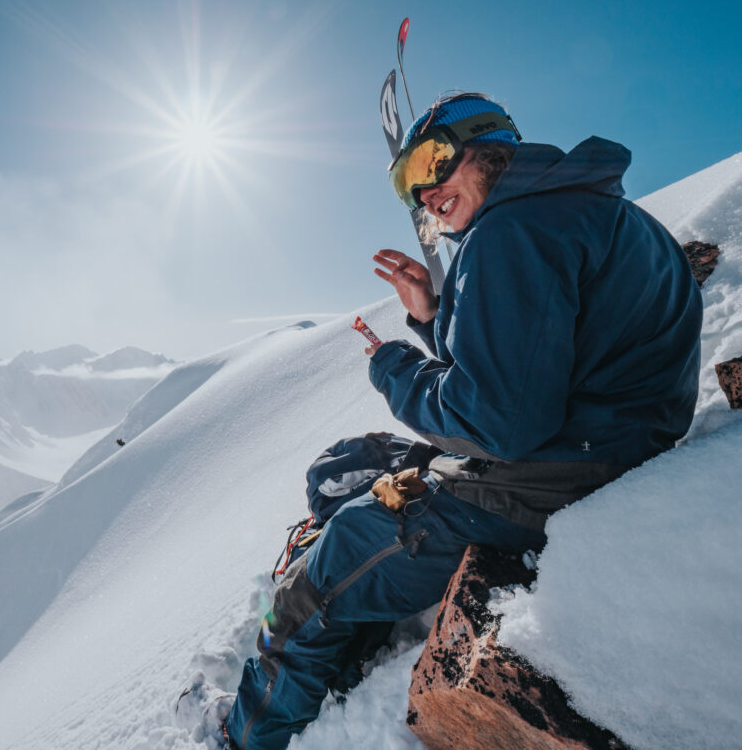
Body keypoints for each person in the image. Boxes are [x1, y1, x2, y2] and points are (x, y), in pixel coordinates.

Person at [218, 93, 703, 750]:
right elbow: (526, 361)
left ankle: (249, 735)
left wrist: (393, 365)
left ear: (487, 143)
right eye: (408, 184)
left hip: (546, 481)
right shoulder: (605, 215)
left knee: (318, 578)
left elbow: (499, 421)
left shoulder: (511, 232)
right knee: (361, 467)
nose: (424, 192)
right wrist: (429, 314)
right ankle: (359, 625)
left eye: (430, 162)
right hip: (600, 451)